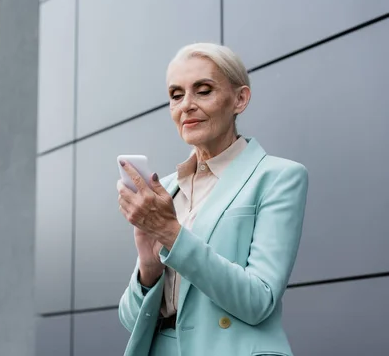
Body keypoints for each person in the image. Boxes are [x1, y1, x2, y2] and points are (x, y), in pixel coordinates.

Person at [117, 43, 308, 356]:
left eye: (203, 91)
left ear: (239, 99)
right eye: (176, 95)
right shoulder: (166, 189)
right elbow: (130, 320)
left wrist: (170, 233)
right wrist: (148, 265)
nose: (187, 105)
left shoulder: (278, 177)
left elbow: (258, 302)